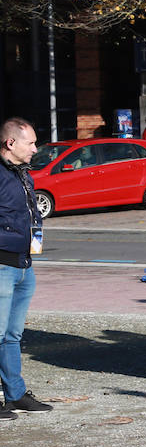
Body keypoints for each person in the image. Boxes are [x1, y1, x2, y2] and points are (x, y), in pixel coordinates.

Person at [0, 117, 52, 419]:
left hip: (23, 265)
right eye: (30, 143)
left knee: (12, 335)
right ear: (11, 143)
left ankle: (15, 394)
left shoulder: (23, 175)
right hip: (3, 265)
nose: (35, 149)